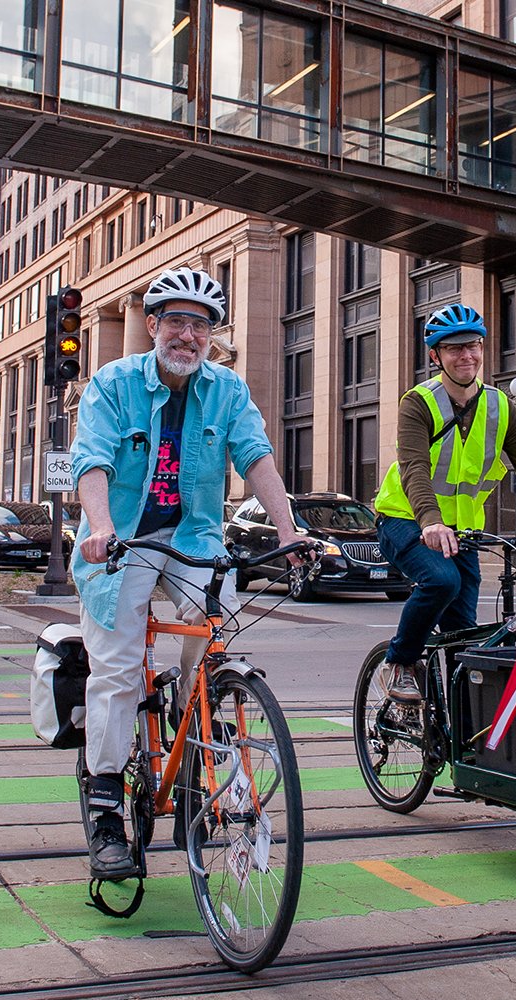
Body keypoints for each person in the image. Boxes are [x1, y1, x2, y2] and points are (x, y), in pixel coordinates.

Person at [71, 266, 308, 880]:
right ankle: (104, 810)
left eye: (200, 325)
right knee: (119, 670)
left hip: (193, 539)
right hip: (123, 540)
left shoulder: (227, 390)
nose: (187, 335)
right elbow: (91, 462)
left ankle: (194, 725)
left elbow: (257, 458)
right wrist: (99, 527)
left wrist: (288, 531)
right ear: (152, 327)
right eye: (176, 321)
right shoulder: (112, 383)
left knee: (206, 647)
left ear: (211, 336)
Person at [373, 303, 516, 703]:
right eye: (453, 349)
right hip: (406, 519)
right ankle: (401, 662)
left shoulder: (499, 407)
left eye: (473, 346)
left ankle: (459, 733)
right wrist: (430, 521)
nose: (466, 355)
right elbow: (414, 467)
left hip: (461, 531)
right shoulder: (418, 402)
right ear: (435, 356)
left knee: (464, 636)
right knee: (440, 581)